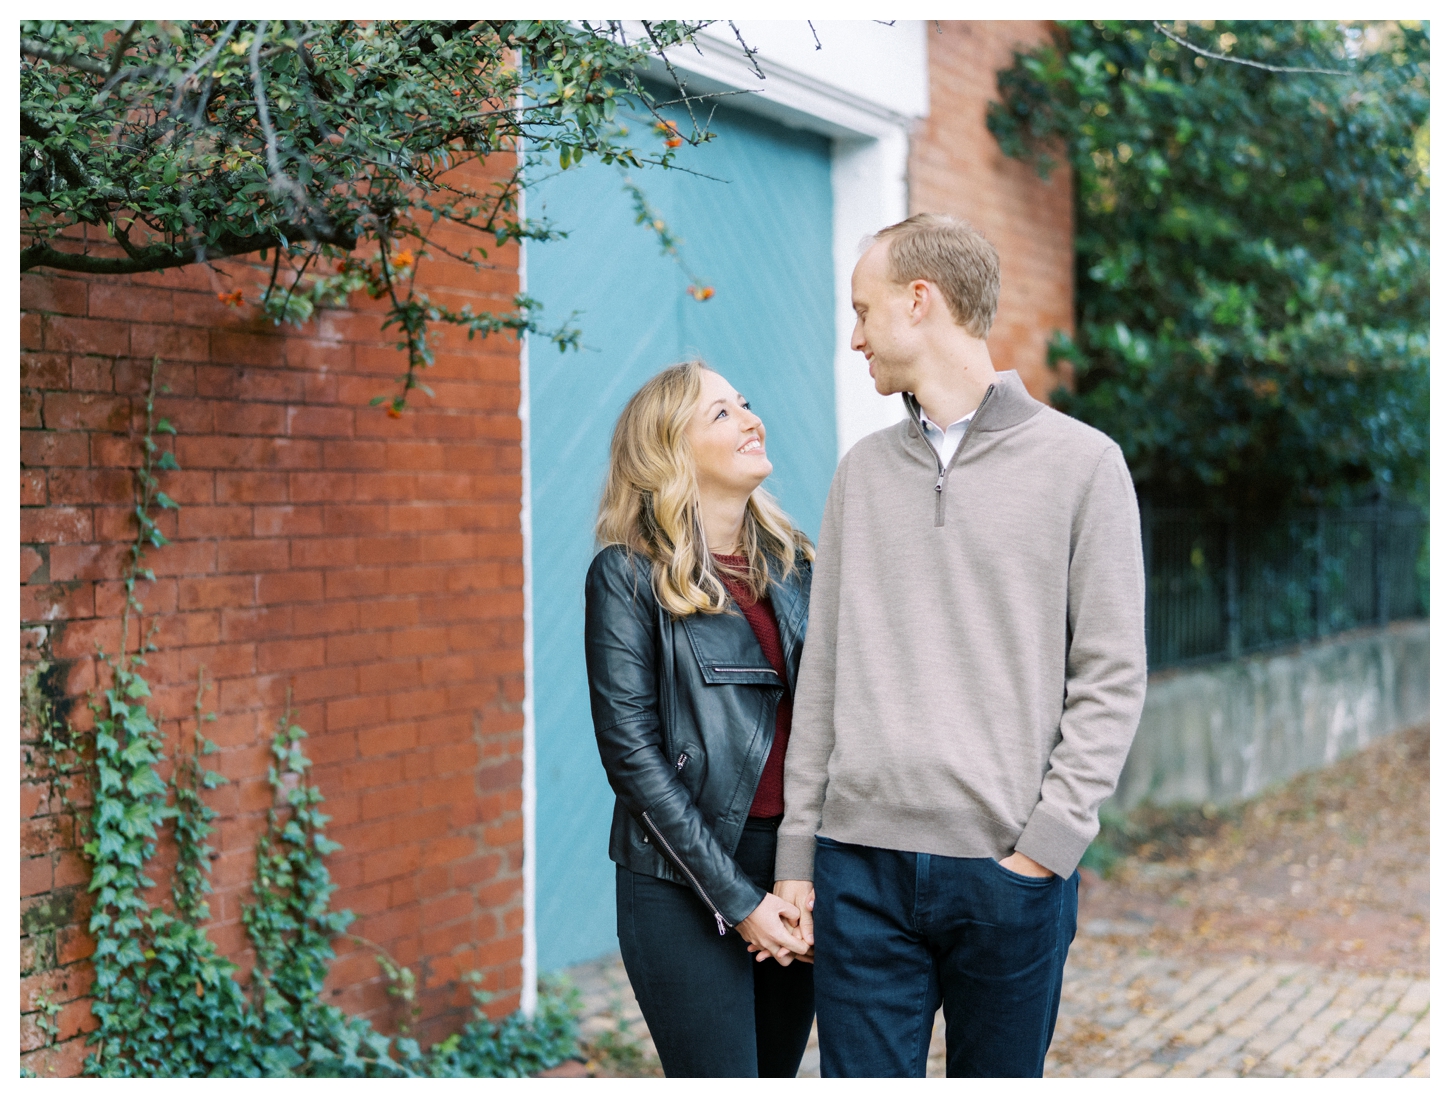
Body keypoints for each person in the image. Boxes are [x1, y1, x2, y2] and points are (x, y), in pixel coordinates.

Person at [772, 213, 1148, 1078]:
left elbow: (1112, 675)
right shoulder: (861, 473)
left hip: (1006, 871)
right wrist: (801, 852)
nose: (855, 336)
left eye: (865, 311)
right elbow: (821, 674)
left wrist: (1045, 849)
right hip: (859, 870)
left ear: (920, 301)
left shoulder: (1083, 465)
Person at [584, 360, 817, 1078]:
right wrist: (738, 901)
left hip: (794, 878)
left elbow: (834, 724)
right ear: (669, 450)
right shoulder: (627, 575)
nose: (752, 419)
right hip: (679, 879)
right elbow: (633, 759)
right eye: (721, 413)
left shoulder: (799, 566)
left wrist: (799, 875)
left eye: (745, 403)